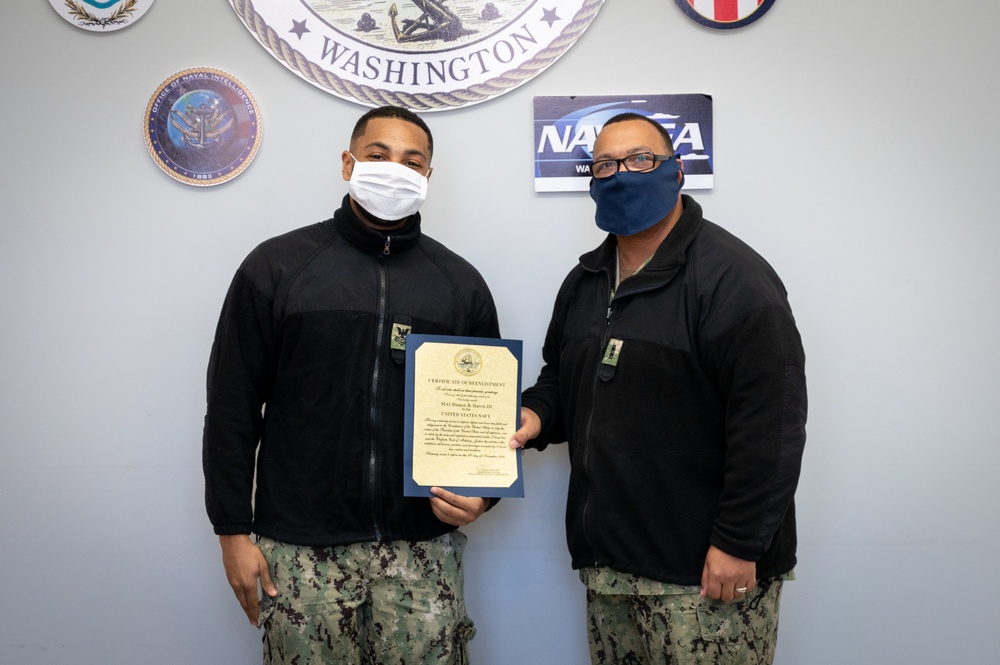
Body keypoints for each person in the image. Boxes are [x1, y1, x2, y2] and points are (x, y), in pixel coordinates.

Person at [202, 106, 500, 664]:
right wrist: (231, 531)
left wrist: (482, 496)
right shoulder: (277, 269)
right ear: (348, 163)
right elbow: (231, 409)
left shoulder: (459, 285)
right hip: (300, 552)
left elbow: (480, 420)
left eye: (413, 161)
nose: (396, 169)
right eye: (378, 155)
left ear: (428, 178)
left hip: (421, 554)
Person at [510, 113, 807, 664]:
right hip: (610, 572)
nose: (622, 174)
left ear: (677, 170)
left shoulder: (733, 279)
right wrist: (535, 417)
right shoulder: (584, 282)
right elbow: (561, 378)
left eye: (641, 159)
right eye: (605, 165)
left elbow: (774, 423)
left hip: (703, 579)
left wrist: (740, 544)